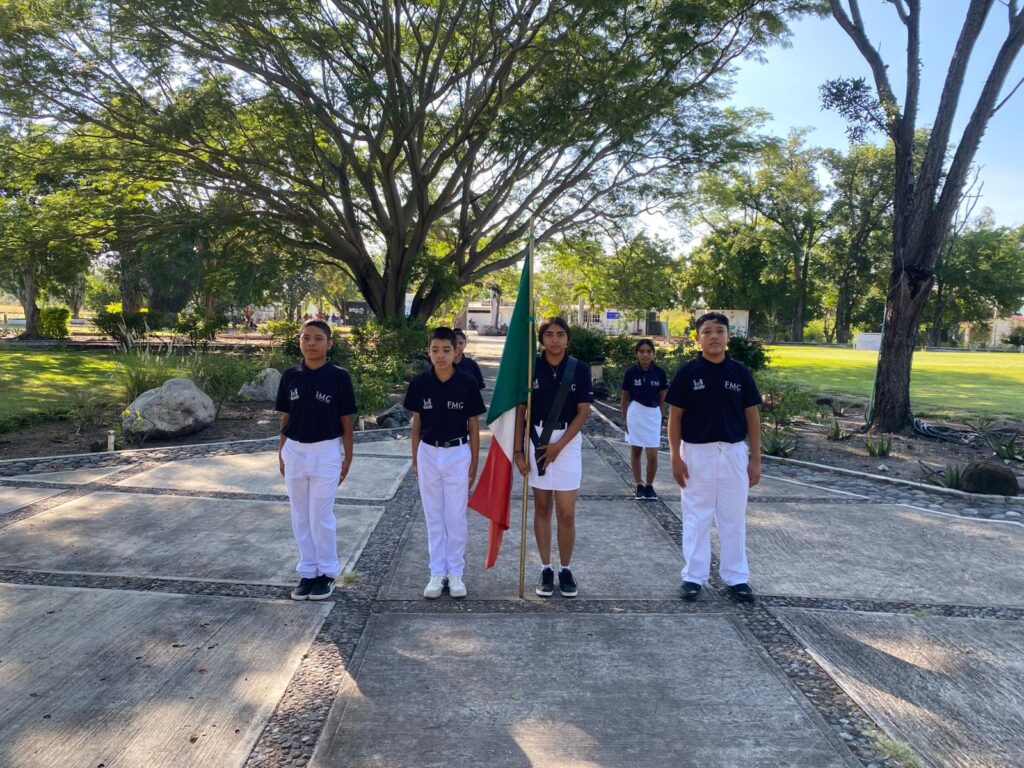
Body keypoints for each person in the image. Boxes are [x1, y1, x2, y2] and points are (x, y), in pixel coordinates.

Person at [666, 312, 762, 603]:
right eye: (707, 331)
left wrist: (755, 458)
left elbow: (752, 417)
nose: (714, 336)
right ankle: (694, 576)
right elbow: (674, 417)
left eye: (720, 331)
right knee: (697, 517)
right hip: (697, 453)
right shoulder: (688, 373)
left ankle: (736, 577)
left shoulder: (740, 373)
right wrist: (675, 456)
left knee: (733, 517)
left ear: (728, 336)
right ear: (698, 338)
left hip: (733, 452)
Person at [275, 319, 357, 601]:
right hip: (295, 451)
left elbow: (346, 420)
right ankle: (308, 571)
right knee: (300, 514)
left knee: (320, 515)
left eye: (318, 339)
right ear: (299, 341)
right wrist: (282, 451)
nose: (311, 343)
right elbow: (286, 417)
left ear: (329, 344)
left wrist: (348, 457)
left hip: (326, 452)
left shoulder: (339, 377)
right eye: (306, 338)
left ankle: (327, 573)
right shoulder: (290, 376)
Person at [513, 317, 593, 598]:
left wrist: (560, 446)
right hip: (537, 440)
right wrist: (518, 450)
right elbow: (521, 411)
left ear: (568, 338)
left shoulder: (579, 368)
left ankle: (565, 569)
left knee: (566, 512)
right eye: (549, 334)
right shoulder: (531, 367)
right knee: (543, 507)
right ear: (541, 339)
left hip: (567, 441)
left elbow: (583, 411)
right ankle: (546, 567)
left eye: (560, 334)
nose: (555, 339)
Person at [405, 327, 486, 599]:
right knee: (434, 515)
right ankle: (437, 572)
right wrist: (415, 458)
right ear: (428, 351)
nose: (440, 356)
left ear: (456, 350)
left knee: (456, 516)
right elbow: (416, 425)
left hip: (457, 452)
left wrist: (474, 462)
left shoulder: (467, 382)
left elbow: (474, 426)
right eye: (435, 350)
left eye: (446, 350)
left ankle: (455, 573)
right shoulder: (419, 383)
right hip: (428, 452)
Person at [620, 339, 668, 500]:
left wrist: (660, 418)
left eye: (649, 351)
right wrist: (624, 419)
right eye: (641, 351)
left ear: (653, 354)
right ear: (637, 354)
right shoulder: (631, 372)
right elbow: (624, 398)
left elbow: (662, 398)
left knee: (652, 454)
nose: (645, 354)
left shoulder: (660, 373)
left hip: (653, 414)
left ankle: (649, 485)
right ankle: (638, 485)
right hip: (635, 414)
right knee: (636, 450)